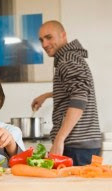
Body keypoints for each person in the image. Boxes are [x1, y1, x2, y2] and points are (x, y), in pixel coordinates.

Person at [31, 20, 102, 166]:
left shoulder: (67, 60)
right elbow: (77, 90)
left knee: (72, 189)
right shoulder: (72, 57)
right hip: (82, 143)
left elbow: (80, 97)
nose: (44, 44)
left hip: (76, 144)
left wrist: (59, 139)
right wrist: (47, 95)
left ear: (63, 35)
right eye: (41, 40)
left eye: (49, 37)